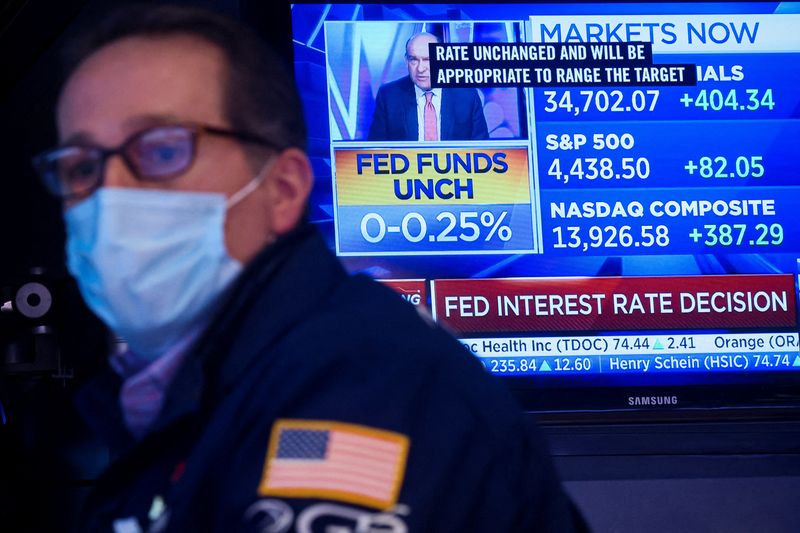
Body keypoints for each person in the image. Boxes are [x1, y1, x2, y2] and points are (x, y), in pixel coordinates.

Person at [32, 5, 582, 532]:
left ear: (285, 188)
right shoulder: (174, 393)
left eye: (162, 151)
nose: (111, 195)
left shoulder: (367, 384)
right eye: (82, 167)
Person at [368, 32, 489, 142]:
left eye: (428, 59)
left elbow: (482, 149)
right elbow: (375, 150)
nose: (420, 68)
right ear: (406, 61)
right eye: (413, 60)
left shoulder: (467, 96)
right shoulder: (389, 96)